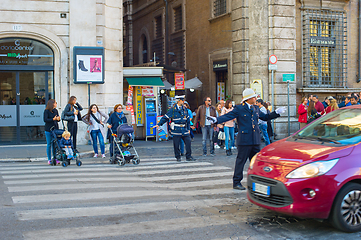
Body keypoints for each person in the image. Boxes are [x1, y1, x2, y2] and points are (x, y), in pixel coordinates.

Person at [206, 88, 285, 190]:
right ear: (249, 98)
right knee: (241, 161)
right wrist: (217, 119)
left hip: (255, 140)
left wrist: (276, 113)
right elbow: (228, 116)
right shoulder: (239, 108)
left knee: (256, 163)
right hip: (244, 140)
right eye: (254, 96)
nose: (256, 98)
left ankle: (256, 182)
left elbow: (265, 117)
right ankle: (236, 182)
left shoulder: (255, 108)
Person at [154, 95, 195, 162]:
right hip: (176, 129)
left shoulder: (185, 109)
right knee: (176, 145)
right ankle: (178, 157)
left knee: (188, 143)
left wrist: (188, 129)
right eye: (182, 100)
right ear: (178, 101)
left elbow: (187, 120)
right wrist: (159, 124)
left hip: (184, 129)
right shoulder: (173, 109)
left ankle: (188, 156)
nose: (183, 101)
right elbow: (166, 117)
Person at [43, 99, 61, 165]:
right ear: (52, 104)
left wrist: (58, 119)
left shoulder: (55, 111)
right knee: (49, 144)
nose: (56, 104)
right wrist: (53, 119)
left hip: (55, 129)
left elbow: (58, 119)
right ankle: (49, 159)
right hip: (48, 129)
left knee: (55, 144)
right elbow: (45, 119)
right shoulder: (46, 111)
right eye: (55, 103)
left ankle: (55, 158)